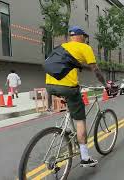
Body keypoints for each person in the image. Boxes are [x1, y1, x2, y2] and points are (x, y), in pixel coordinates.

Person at [45, 26, 109, 167]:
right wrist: (105, 84)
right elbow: (96, 70)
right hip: (68, 88)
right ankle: (85, 158)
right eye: (85, 37)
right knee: (80, 120)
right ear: (80, 37)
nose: (85, 39)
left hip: (49, 86)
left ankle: (67, 131)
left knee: (71, 101)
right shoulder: (84, 48)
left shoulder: (61, 47)